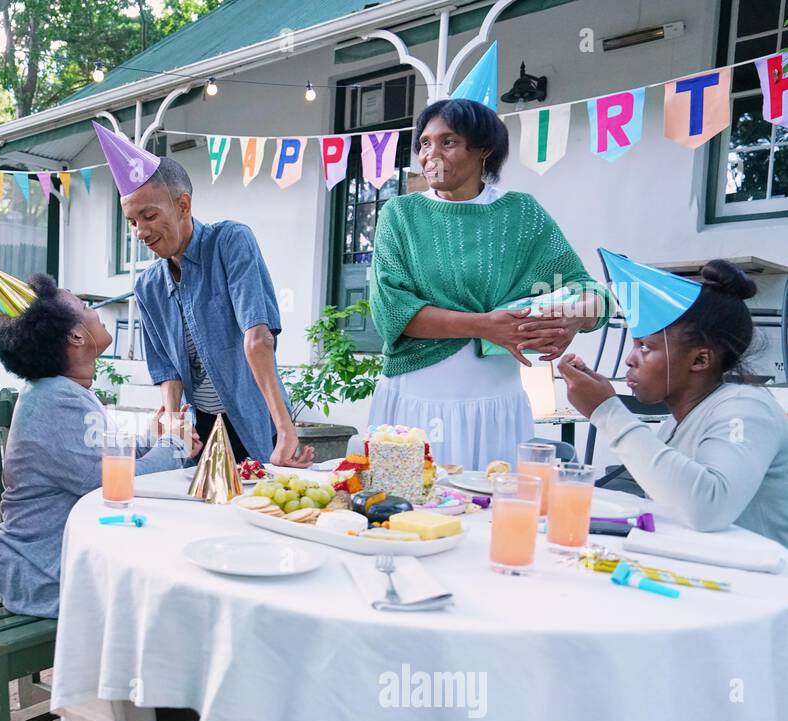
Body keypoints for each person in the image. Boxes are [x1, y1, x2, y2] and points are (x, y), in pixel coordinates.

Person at [367, 97, 614, 470]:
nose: (431, 154)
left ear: (484, 149)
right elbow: (391, 311)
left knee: (494, 511)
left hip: (497, 402)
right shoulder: (401, 214)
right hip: (415, 400)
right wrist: (484, 325)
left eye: (448, 142)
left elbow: (590, 290)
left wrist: (574, 319)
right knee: (407, 515)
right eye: (425, 143)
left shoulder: (521, 213)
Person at [94, 123, 311, 468]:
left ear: (183, 205)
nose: (141, 232)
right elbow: (166, 367)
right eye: (132, 221)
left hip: (254, 418)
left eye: (149, 216)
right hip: (202, 427)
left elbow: (257, 339)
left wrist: (285, 429)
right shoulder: (147, 286)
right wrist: (174, 421)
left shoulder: (230, 242)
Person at [0, 273, 198, 619]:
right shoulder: (55, 400)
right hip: (44, 574)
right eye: (85, 306)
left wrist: (153, 440)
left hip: (59, 560)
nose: (95, 310)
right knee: (172, 594)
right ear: (75, 335)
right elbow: (113, 485)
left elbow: (101, 459)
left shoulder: (62, 391)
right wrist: (174, 444)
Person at [560, 256, 788, 547]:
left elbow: (708, 507)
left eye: (645, 346)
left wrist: (607, 412)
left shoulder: (745, 410)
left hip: (764, 587)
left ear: (700, 359)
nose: (630, 359)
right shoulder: (676, 422)